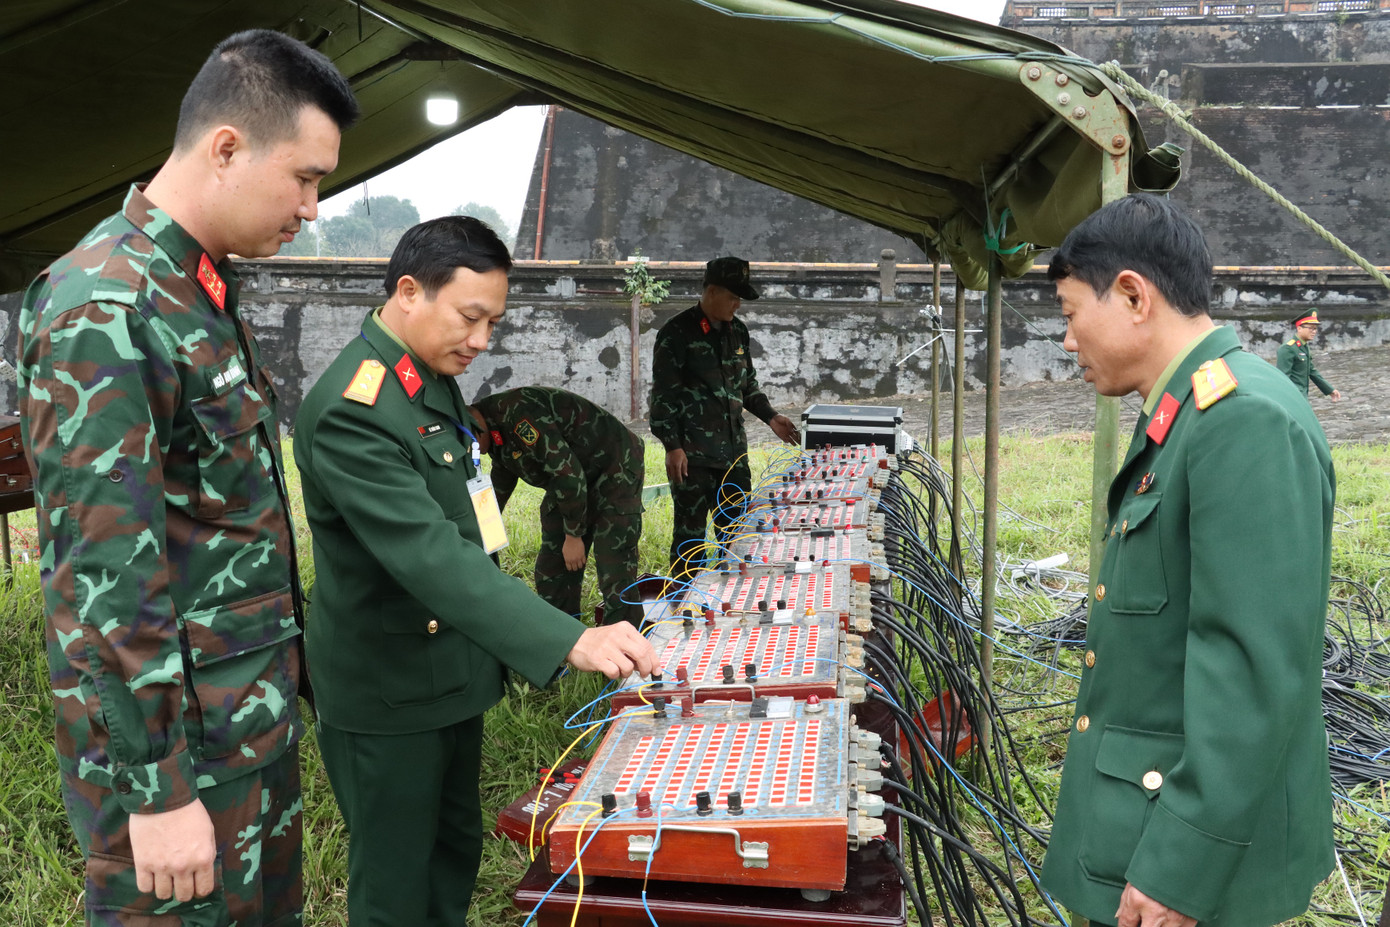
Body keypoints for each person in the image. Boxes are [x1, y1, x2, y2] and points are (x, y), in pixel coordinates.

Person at [16, 30, 357, 925]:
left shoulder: (194, 288)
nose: (312, 208)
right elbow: (102, 576)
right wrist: (156, 788)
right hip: (181, 763)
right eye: (306, 178)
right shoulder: (106, 303)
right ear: (227, 148)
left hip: (243, 727)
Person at [293, 216, 657, 926]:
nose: (483, 338)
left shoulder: (427, 381)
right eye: (471, 316)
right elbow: (429, 552)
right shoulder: (353, 409)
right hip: (389, 687)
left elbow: (468, 516)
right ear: (409, 292)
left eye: (493, 321)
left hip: (449, 673)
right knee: (396, 882)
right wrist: (570, 636)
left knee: (452, 852)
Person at [1039, 193, 1335, 927]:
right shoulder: (1190, 412)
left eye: (1071, 314)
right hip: (1142, 815)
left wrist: (1179, 869)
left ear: (1133, 295)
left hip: (1183, 858)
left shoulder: (1243, 420)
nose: (1068, 341)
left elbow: (1249, 668)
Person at [648, 256, 800, 582]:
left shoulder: (738, 332)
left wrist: (772, 417)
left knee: (739, 538)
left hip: (733, 457)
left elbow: (747, 387)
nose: (738, 305)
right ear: (712, 291)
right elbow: (662, 398)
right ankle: (684, 602)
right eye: (733, 297)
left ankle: (731, 601)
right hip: (692, 458)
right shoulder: (676, 333)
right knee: (689, 541)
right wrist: (672, 446)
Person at [470, 386, 646, 626]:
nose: (473, 457)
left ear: (475, 432)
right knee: (552, 566)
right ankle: (564, 632)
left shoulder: (518, 415)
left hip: (614, 464)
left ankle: (625, 637)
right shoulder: (490, 427)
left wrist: (573, 535)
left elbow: (568, 474)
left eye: (470, 450)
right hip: (570, 478)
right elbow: (504, 472)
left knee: (614, 560)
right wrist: (482, 527)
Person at [1276, 309, 1342, 401]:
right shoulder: (1288, 348)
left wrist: (1329, 389)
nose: (1314, 331)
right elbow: (1283, 378)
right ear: (1299, 328)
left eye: (1315, 328)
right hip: (1293, 397)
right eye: (1310, 328)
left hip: (1302, 396)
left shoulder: (1304, 346)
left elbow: (1311, 371)